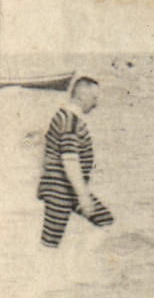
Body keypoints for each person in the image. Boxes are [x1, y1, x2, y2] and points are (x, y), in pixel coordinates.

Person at [37, 77, 113, 249]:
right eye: (94, 99)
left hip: (65, 189)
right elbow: (69, 160)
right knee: (49, 244)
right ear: (81, 97)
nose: (96, 104)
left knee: (105, 221)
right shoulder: (70, 122)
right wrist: (84, 196)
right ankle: (74, 266)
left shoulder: (64, 117)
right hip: (62, 191)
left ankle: (78, 265)